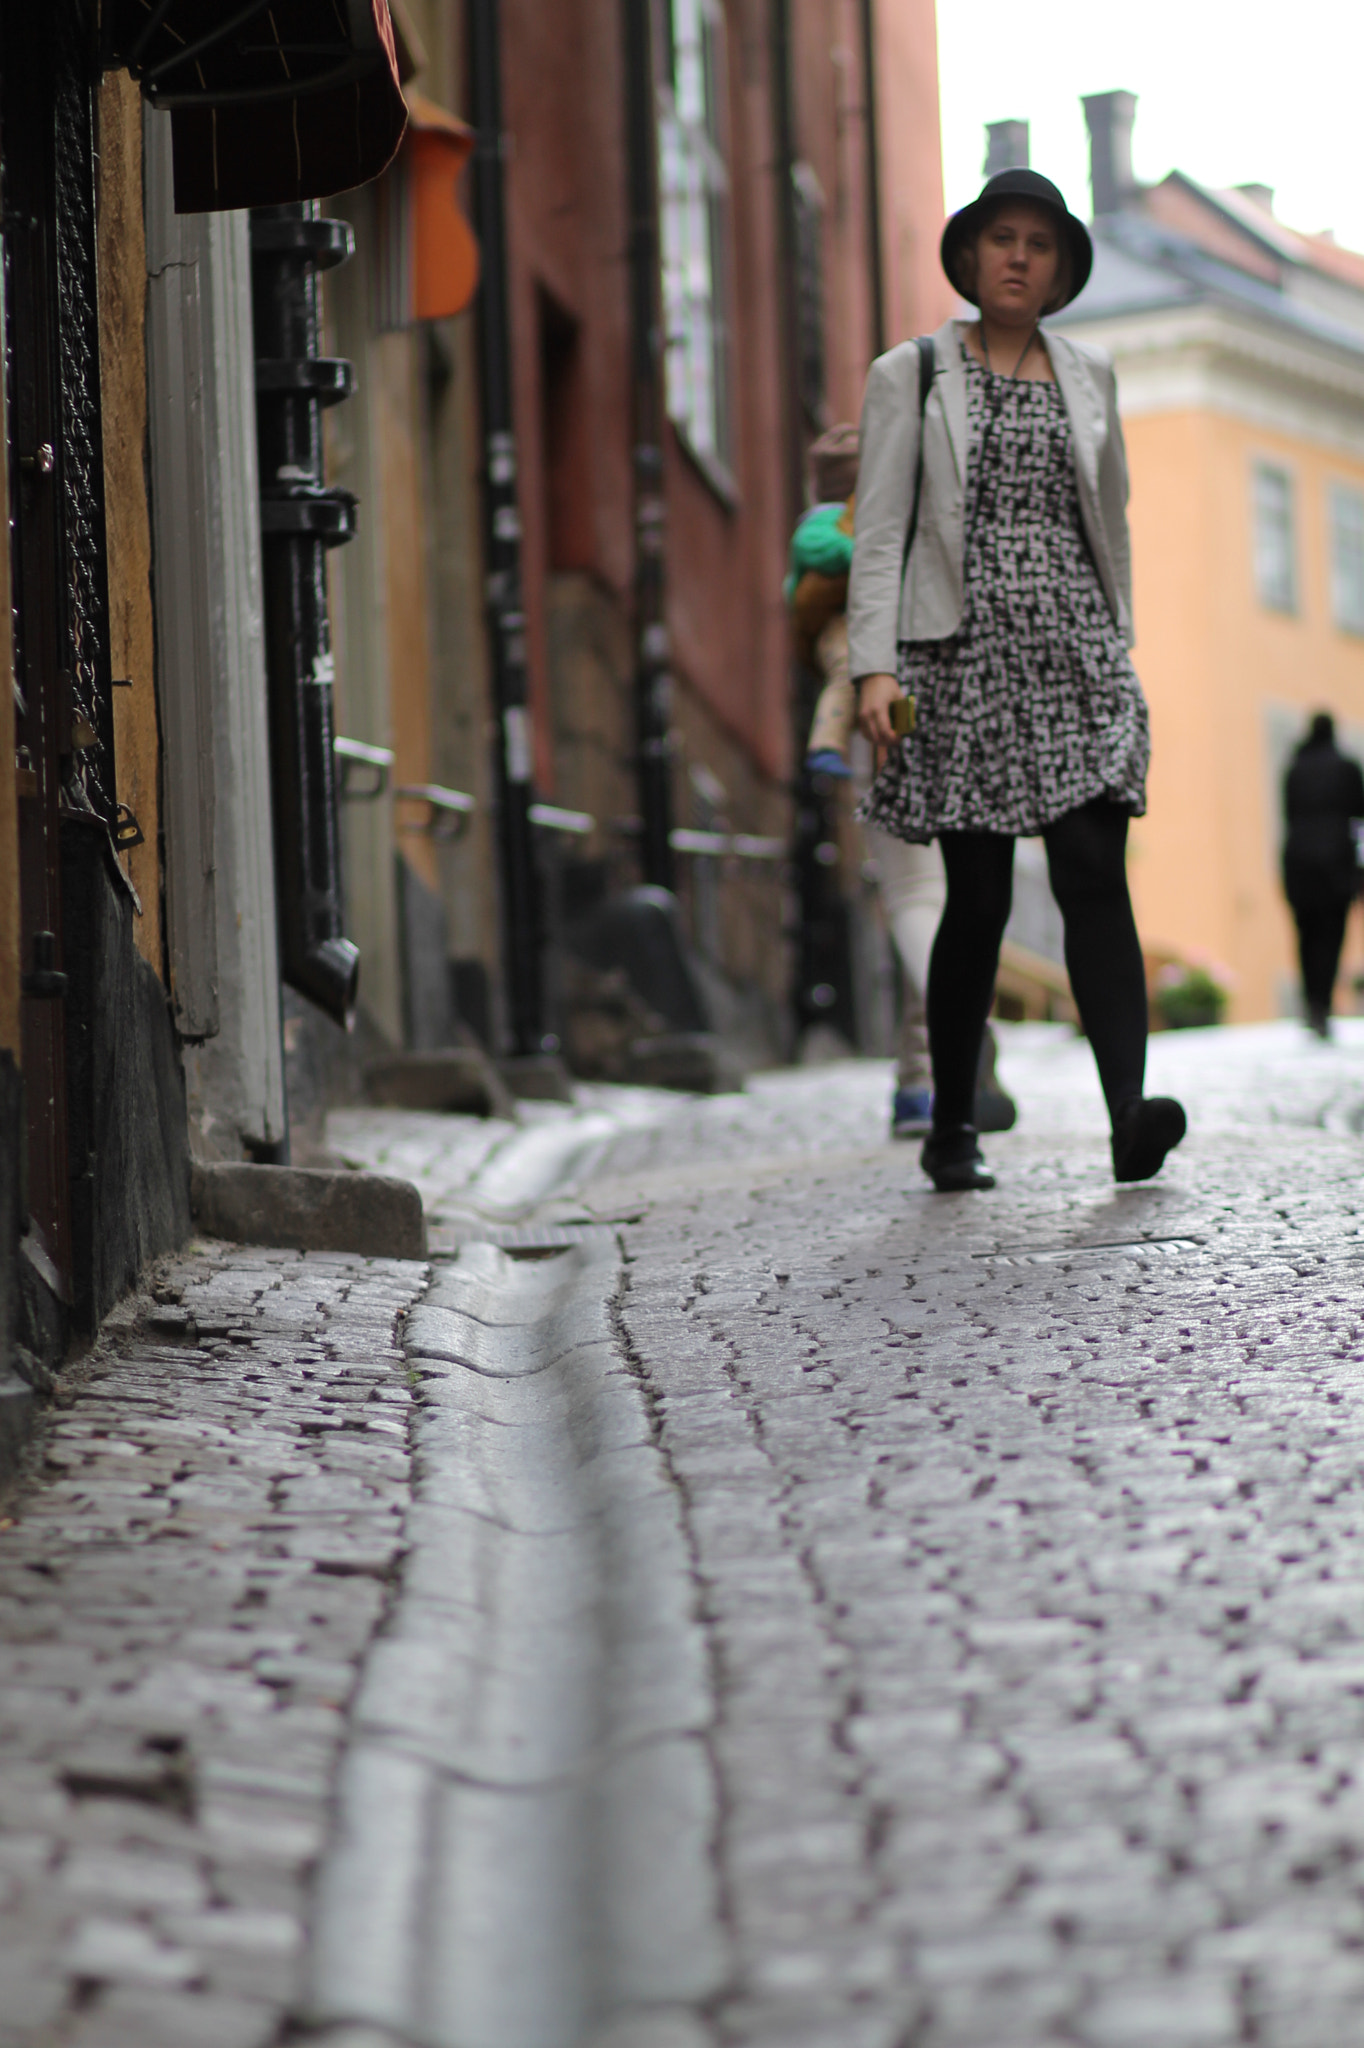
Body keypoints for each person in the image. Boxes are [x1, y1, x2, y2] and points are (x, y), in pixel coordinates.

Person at [848, 167, 1185, 1192]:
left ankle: (1127, 1116)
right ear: (968, 255)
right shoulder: (911, 372)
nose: (1016, 257)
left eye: (1037, 245)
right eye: (1001, 237)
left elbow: (1109, 520)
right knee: (978, 897)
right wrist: (873, 666)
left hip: (1075, 659)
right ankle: (952, 1123)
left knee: (1093, 878)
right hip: (959, 660)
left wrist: (1115, 646)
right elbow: (878, 530)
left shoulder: (1091, 376)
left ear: (1058, 270)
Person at [790, 426, 1015, 1138]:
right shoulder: (931, 522)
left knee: (918, 892)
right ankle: (920, 1078)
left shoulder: (846, 541)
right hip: (961, 701)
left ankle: (960, 1031)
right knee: (955, 892)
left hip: (884, 703)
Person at [1281, 710, 1364, 1037]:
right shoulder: (1346, 769)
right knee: (1331, 936)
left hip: (1299, 862)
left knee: (1305, 935)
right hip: (1336, 864)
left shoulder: (1294, 770)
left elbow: (1288, 816)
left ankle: (1312, 1002)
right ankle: (1323, 1004)